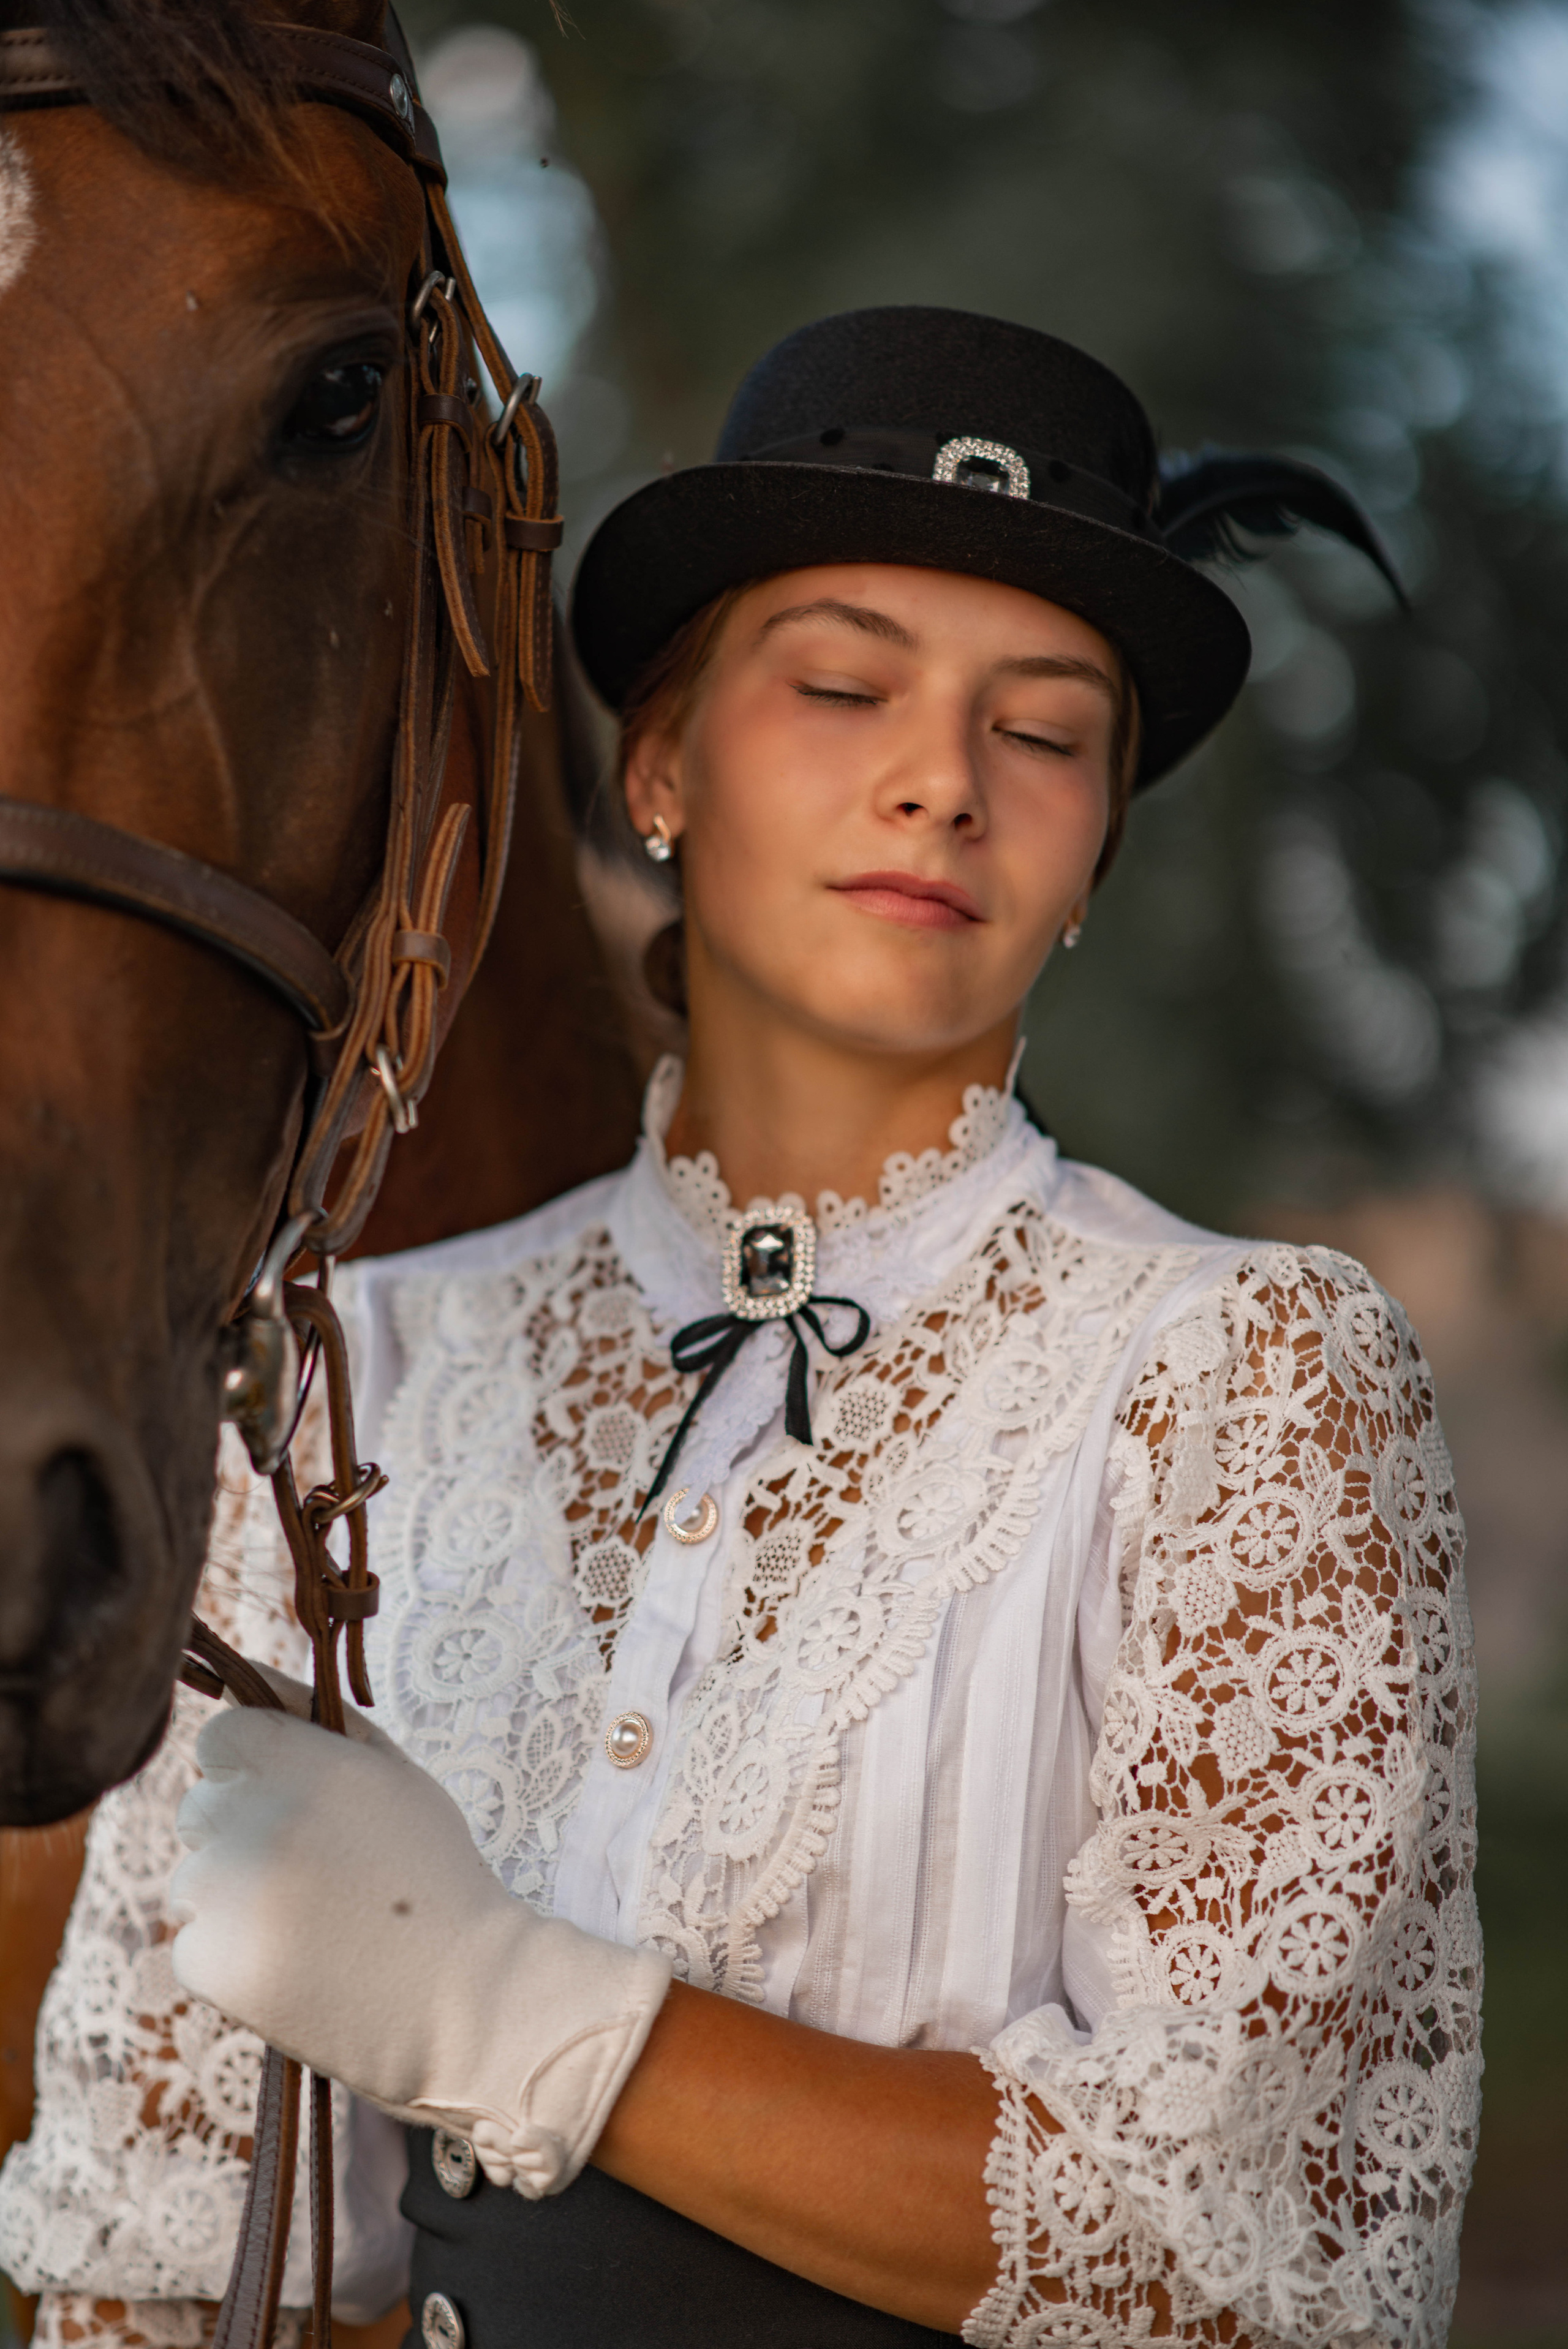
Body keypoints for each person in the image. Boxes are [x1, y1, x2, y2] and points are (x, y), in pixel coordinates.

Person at [1, 309, 1479, 2349]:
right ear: (661, 766)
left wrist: (499, 2004)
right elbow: (152, 2257)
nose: (942, 782)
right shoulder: (355, 1379)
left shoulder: (1246, 1377)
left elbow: (1254, 2247)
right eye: (846, 685)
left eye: (1046, 733)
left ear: (1094, 855)